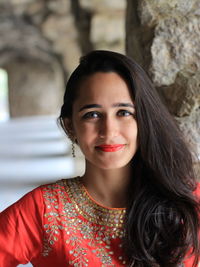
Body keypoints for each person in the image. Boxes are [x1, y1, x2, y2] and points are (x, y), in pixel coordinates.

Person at [0, 50, 199, 267]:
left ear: (143, 120)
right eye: (92, 115)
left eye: (124, 112)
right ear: (70, 126)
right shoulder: (44, 210)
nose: (109, 130)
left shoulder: (186, 202)